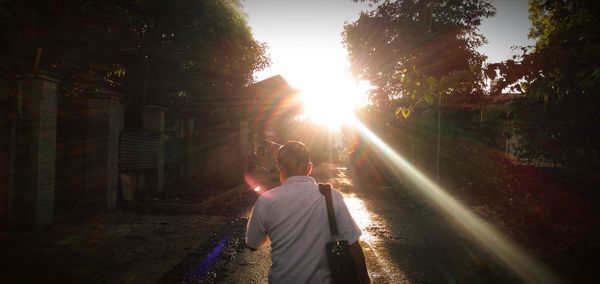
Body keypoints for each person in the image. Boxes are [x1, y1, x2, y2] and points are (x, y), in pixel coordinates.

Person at [246, 141, 370, 283]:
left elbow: (253, 244)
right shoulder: (330, 196)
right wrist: (365, 280)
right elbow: (353, 244)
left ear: (279, 168)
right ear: (309, 168)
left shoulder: (266, 201)